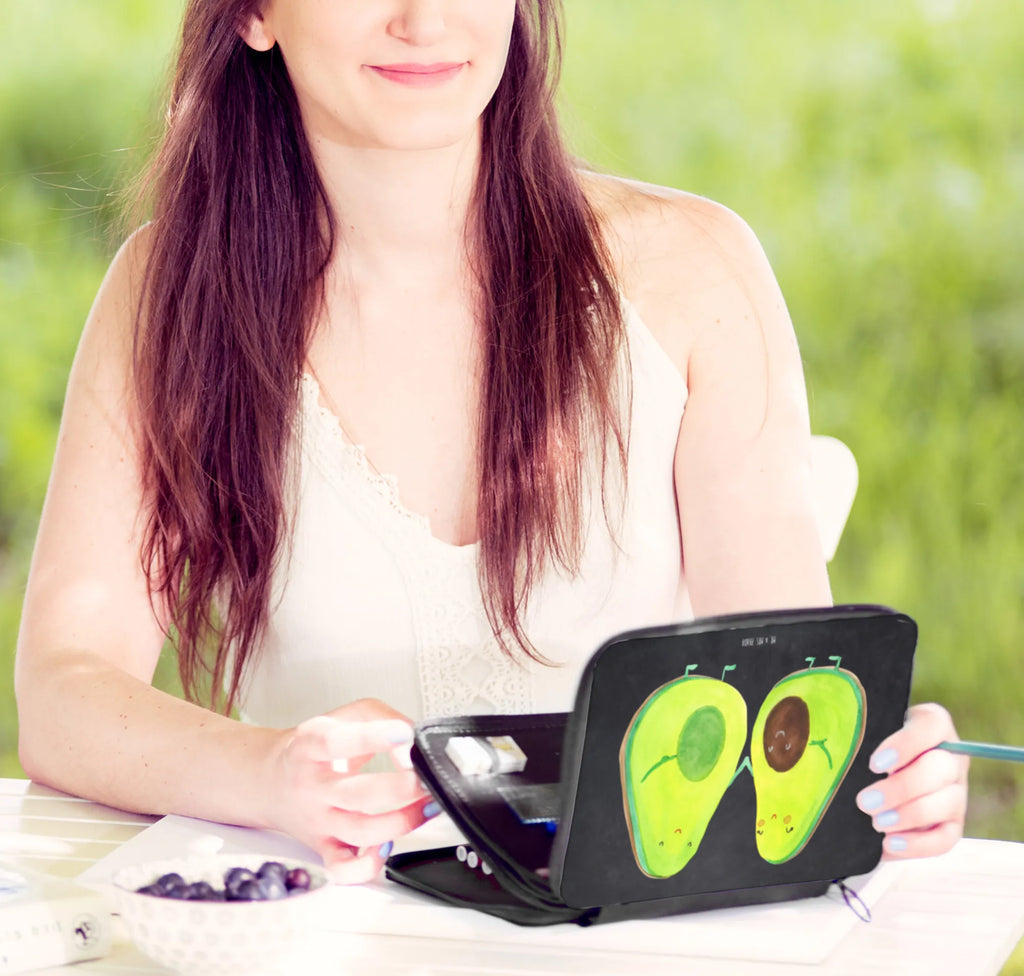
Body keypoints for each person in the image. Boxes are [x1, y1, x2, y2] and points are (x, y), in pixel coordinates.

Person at [14, 0, 968, 884]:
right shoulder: (175, 294)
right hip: (317, 944)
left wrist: (886, 773)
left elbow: (792, 699)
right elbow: (63, 696)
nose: (424, 20)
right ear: (255, 13)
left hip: (639, 948)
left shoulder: (692, 276)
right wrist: (268, 771)